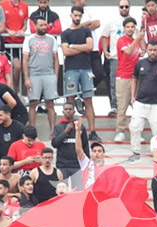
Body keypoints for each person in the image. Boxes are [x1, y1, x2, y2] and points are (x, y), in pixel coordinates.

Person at [128, 40, 157, 163]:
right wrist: (133, 97)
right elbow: (134, 80)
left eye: (155, 50)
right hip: (140, 102)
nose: (152, 53)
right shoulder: (140, 64)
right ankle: (135, 152)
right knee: (135, 127)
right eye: (150, 50)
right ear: (146, 50)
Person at [61, 6, 99, 142]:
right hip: (71, 69)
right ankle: (68, 128)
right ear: (71, 15)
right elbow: (66, 52)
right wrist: (80, 48)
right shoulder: (65, 33)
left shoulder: (86, 31)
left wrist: (73, 46)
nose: (77, 18)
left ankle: (92, 130)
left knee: (88, 99)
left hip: (86, 69)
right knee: (70, 99)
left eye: (79, 16)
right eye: (75, 15)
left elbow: (90, 47)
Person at [23, 15, 59, 130]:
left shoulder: (51, 39)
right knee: (33, 103)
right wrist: (26, 78)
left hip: (49, 74)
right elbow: (25, 60)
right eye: (41, 25)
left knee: (50, 104)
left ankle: (53, 131)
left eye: (45, 25)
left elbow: (56, 59)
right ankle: (31, 131)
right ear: (35, 26)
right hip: (34, 75)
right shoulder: (29, 39)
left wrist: (55, 76)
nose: (44, 27)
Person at [113, 16, 142, 143]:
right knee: (122, 105)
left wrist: (141, 38)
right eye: (128, 27)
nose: (130, 29)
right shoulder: (121, 40)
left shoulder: (137, 40)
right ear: (124, 28)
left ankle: (136, 131)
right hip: (123, 77)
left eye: (132, 27)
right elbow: (129, 52)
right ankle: (120, 131)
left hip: (135, 77)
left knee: (137, 106)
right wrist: (137, 40)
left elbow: (143, 52)